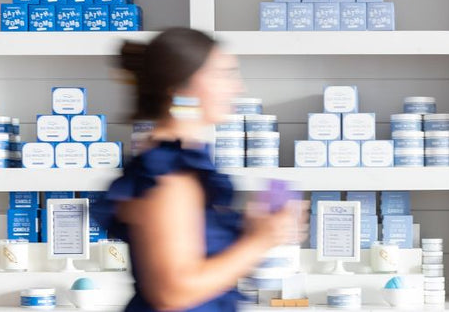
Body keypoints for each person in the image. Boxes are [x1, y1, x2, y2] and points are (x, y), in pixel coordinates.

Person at [95, 28, 302, 312]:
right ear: (182, 88)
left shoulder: (176, 164)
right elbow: (173, 292)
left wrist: (253, 231)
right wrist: (259, 241)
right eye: (224, 74)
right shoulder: (171, 176)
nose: (238, 87)